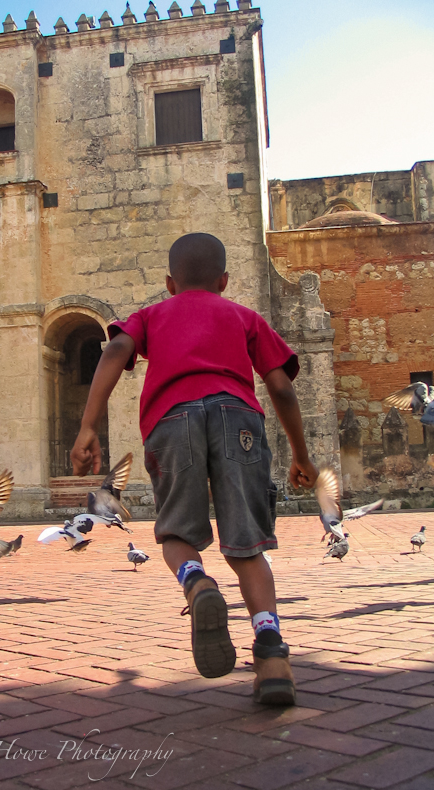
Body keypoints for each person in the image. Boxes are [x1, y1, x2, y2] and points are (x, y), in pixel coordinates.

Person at [71, 232, 318, 706]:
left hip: (172, 421)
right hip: (237, 419)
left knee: (177, 532)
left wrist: (88, 426)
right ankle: (272, 657)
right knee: (247, 546)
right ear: (224, 280)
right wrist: (301, 455)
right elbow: (282, 388)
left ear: (168, 282)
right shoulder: (244, 316)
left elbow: (114, 351)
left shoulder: (151, 315)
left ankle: (196, 582)